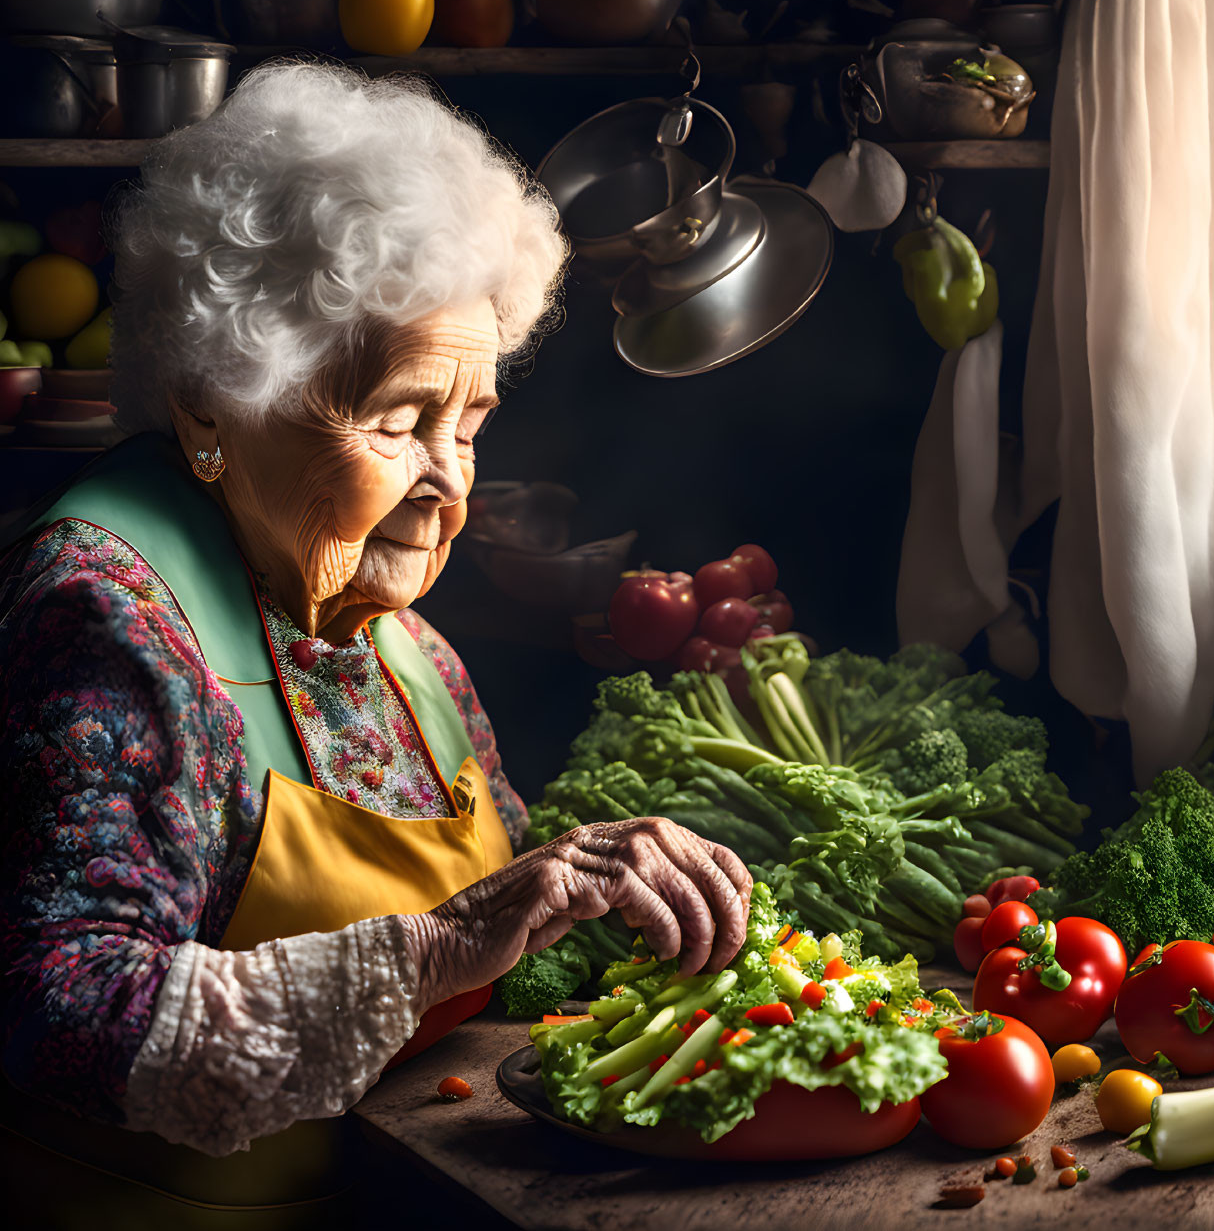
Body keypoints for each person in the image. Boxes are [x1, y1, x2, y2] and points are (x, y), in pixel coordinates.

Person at [0, 63, 750, 1222]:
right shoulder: (102, 619)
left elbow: (503, 905)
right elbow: (57, 1008)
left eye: (470, 422)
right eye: (399, 420)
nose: (446, 481)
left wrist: (607, 891)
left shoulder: (394, 630)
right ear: (213, 404)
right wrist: (447, 943)